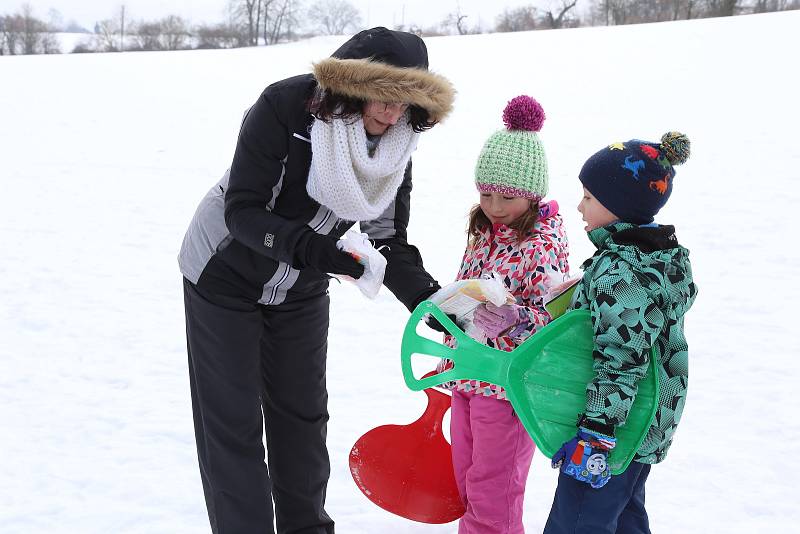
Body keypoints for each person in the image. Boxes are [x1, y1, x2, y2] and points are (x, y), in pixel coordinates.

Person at [177, 27, 454, 534]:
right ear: (352, 83)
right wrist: (318, 251)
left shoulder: (394, 146)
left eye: (407, 104)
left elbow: (388, 239)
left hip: (300, 286)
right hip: (224, 274)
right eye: (385, 98)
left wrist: (432, 304)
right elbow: (242, 212)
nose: (394, 115)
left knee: (302, 419)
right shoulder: (284, 107)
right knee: (234, 426)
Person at [544, 132, 698, 534]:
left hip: (611, 430)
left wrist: (597, 432)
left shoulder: (622, 274)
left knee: (578, 523)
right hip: (643, 421)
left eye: (589, 198)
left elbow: (622, 358)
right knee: (625, 516)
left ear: (620, 207)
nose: (579, 206)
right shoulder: (655, 259)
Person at [434, 96, 570, 533]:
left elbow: (557, 318)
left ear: (532, 195)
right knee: (466, 485)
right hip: (466, 373)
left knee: (494, 489)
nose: (494, 205)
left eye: (507, 196)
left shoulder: (543, 243)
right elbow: (465, 284)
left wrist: (517, 319)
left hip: (508, 383)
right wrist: (448, 314)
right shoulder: (482, 231)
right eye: (486, 193)